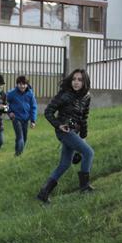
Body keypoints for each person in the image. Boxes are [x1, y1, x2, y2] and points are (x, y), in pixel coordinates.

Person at [37, 69, 95, 204]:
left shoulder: (86, 96)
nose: (76, 82)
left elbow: (83, 118)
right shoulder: (64, 95)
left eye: (80, 80)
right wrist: (58, 125)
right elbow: (48, 112)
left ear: (85, 82)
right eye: (74, 79)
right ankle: (84, 187)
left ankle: (43, 193)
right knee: (89, 153)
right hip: (65, 131)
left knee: (65, 164)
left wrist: (83, 136)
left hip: (75, 132)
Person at [7, 76, 38, 157]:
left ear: (27, 85)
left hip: (26, 119)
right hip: (16, 118)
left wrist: (33, 120)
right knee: (20, 136)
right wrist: (9, 112)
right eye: (20, 84)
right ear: (17, 84)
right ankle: (18, 155)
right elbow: (4, 103)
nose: (22, 86)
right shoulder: (11, 93)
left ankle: (17, 153)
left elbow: (34, 107)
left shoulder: (30, 94)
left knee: (24, 138)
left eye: (24, 84)